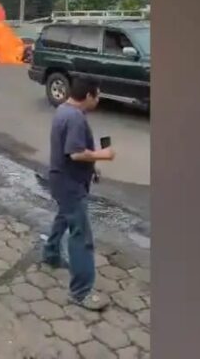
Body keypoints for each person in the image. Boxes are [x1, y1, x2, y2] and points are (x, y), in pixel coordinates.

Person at [42, 76, 115, 311]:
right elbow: (75, 153)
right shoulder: (74, 118)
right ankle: (81, 292)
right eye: (98, 95)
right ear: (89, 96)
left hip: (62, 179)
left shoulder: (64, 109)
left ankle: (51, 253)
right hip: (70, 184)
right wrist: (104, 155)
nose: (99, 99)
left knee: (64, 216)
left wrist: (92, 168)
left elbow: (72, 152)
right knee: (81, 236)